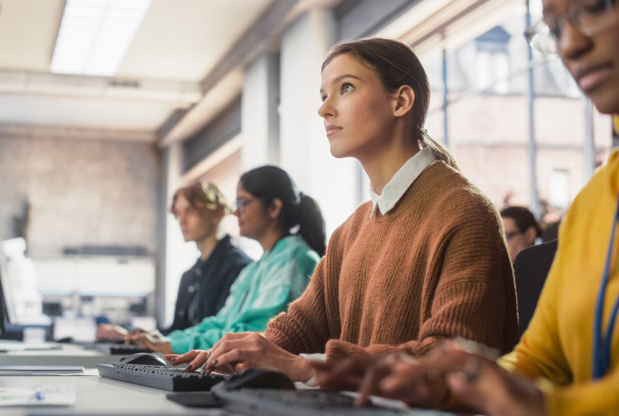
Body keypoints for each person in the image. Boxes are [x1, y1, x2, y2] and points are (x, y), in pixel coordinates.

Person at [328, 0, 619, 414]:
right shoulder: (601, 196)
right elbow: (537, 360)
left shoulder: (462, 210)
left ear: (402, 101)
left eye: (595, 7)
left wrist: (539, 404)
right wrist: (450, 381)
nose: (571, 45)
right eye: (554, 27)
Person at [168, 38, 518, 383]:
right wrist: (237, 352)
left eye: (345, 88)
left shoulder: (464, 212)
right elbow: (302, 325)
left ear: (401, 101)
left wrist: (310, 367)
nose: (324, 109)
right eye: (323, 96)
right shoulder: (351, 230)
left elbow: (454, 360)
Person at [126, 165, 324, 354]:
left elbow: (254, 333)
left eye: (242, 203)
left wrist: (173, 345)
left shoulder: (292, 260)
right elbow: (221, 323)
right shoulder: (256, 268)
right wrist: (168, 341)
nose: (235, 212)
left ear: (273, 208)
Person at [96, 182, 251, 340]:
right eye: (178, 214)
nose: (181, 221)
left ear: (217, 214)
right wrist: (130, 334)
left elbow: (221, 334)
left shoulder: (240, 269)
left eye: (190, 212)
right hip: (186, 362)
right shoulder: (189, 276)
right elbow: (176, 333)